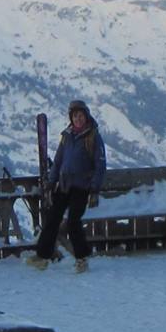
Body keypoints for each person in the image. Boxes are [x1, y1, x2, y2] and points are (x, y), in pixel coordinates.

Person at [33, 99, 106, 269]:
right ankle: (42, 256)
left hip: (81, 186)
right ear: (71, 118)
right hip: (64, 185)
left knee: (73, 222)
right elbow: (58, 161)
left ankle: (82, 258)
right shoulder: (67, 136)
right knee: (53, 219)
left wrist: (94, 189)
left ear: (86, 116)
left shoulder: (93, 136)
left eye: (80, 116)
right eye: (75, 116)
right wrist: (51, 182)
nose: (78, 119)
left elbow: (100, 164)